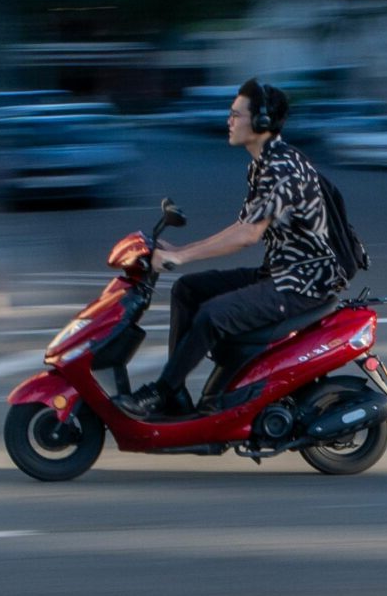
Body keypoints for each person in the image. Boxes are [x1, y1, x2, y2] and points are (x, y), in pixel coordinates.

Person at [119, 79, 347, 420]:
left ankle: (162, 391)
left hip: (302, 284)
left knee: (213, 314)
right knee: (187, 290)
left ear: (262, 122)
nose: (229, 121)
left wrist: (180, 257)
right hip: (279, 274)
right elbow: (240, 227)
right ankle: (175, 391)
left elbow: (247, 236)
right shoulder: (264, 163)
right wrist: (179, 250)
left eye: (235, 114)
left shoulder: (283, 169)